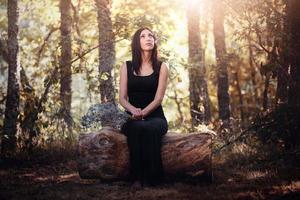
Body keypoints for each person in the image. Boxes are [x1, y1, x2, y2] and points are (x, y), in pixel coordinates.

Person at [119, 27, 169, 188]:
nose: (148, 38)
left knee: (150, 127)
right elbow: (122, 98)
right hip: (131, 116)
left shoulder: (162, 67)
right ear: (136, 42)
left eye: (151, 36)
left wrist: (144, 113)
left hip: (156, 116)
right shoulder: (126, 67)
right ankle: (137, 178)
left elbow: (159, 98)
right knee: (137, 128)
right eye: (143, 36)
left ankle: (153, 178)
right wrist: (133, 111)